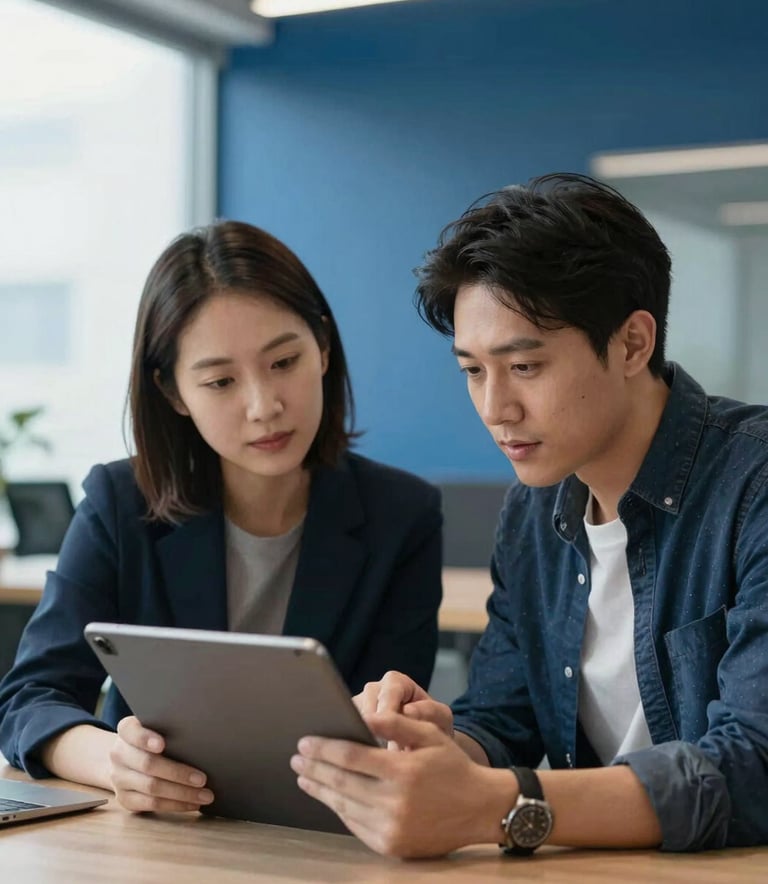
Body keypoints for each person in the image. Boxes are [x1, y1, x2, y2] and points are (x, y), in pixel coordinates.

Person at [290, 174, 768, 857]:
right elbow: (501, 719)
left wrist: (499, 804)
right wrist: (430, 746)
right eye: (473, 371)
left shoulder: (754, 487)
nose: (495, 408)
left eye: (524, 366)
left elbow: (753, 767)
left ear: (633, 344)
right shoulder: (533, 512)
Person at [0, 220, 442, 814]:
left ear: (323, 347)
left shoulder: (402, 515)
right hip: (155, 834)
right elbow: (30, 698)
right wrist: (117, 763)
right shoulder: (120, 502)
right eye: (220, 381)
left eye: (284, 361)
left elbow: (394, 718)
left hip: (325, 832)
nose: (264, 406)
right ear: (173, 393)